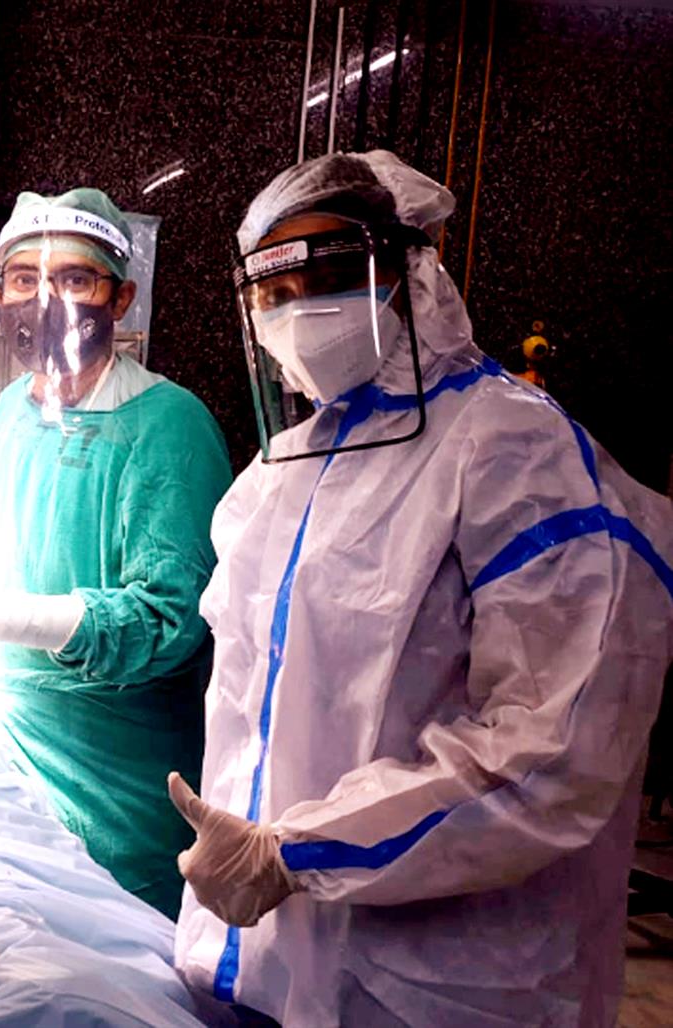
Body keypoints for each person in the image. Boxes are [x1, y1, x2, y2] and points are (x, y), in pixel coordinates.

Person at [168, 150, 673, 1027]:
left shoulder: (512, 450)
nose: (301, 312)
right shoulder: (278, 475)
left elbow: (554, 749)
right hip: (270, 958)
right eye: (275, 292)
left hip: (436, 982)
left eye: (330, 278)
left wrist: (300, 852)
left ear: (411, 270)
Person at [0, 188, 232, 918]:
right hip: (4, 748)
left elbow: (168, 621)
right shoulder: (16, 406)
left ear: (121, 299)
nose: (45, 300)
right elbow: (29, 556)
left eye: (75, 279)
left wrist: (4, 615)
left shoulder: (168, 425)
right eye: (24, 279)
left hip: (113, 781)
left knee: (110, 963)